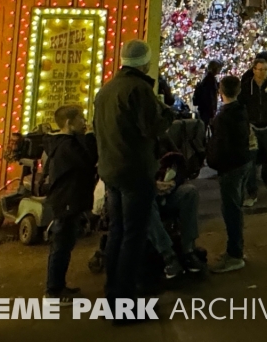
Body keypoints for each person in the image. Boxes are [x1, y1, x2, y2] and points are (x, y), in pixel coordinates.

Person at [94, 40, 173, 317]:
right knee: (133, 236)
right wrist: (167, 113)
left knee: (117, 232)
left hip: (111, 170)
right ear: (145, 62)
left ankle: (112, 294)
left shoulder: (107, 90)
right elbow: (152, 128)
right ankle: (124, 304)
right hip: (134, 172)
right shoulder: (139, 90)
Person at [43, 104, 98, 304]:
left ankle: (57, 286)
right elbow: (88, 160)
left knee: (64, 244)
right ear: (69, 122)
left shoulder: (61, 144)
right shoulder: (67, 146)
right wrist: (91, 137)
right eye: (81, 119)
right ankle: (54, 290)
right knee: (61, 245)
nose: (84, 122)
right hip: (66, 200)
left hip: (66, 199)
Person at [207, 75, 256, 273]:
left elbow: (220, 147)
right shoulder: (241, 111)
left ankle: (235, 253)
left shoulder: (224, 117)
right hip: (242, 163)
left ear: (221, 91)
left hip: (230, 167)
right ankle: (235, 250)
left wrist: (212, 161)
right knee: (234, 207)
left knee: (231, 210)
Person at [146, 136, 205, 280]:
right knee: (144, 204)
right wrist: (153, 186)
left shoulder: (163, 139)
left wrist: (173, 184)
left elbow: (181, 166)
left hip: (167, 191)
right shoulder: (134, 145)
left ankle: (188, 249)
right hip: (147, 194)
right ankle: (168, 255)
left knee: (189, 193)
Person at [239, 55, 267, 205]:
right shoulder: (246, 87)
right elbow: (241, 106)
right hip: (251, 128)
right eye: (260, 69)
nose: (263, 72)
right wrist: (246, 125)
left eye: (265, 69)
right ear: (254, 70)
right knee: (250, 161)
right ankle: (251, 192)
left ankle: (266, 175)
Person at [193, 60, 221, 130]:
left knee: (204, 128)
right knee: (205, 129)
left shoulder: (208, 78)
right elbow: (210, 98)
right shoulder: (210, 80)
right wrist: (212, 113)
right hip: (207, 111)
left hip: (204, 109)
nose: (220, 70)